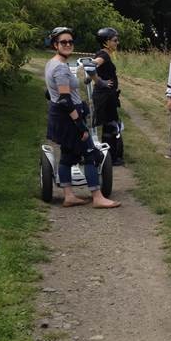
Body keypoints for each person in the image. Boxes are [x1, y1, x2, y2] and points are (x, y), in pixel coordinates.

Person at [44, 27, 121, 209]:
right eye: (63, 42)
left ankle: (69, 196)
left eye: (70, 42)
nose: (68, 44)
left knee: (67, 155)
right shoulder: (60, 68)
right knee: (90, 154)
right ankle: (97, 197)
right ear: (55, 45)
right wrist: (79, 124)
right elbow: (65, 100)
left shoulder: (51, 63)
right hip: (69, 117)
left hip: (60, 116)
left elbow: (51, 92)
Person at [91, 27, 124, 166]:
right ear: (106, 41)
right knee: (111, 126)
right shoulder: (103, 55)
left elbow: (93, 69)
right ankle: (110, 158)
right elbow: (91, 66)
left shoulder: (104, 54)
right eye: (115, 40)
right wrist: (100, 82)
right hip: (104, 97)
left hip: (108, 96)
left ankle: (109, 156)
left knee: (110, 125)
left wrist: (91, 78)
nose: (117, 42)